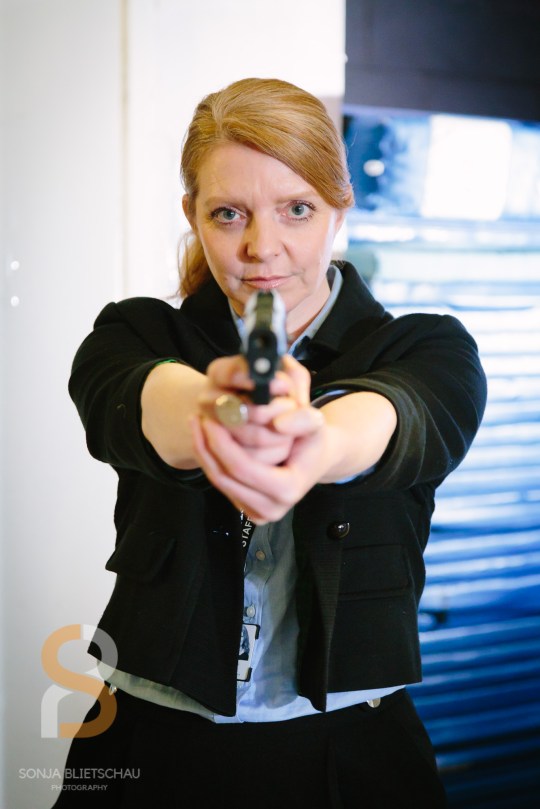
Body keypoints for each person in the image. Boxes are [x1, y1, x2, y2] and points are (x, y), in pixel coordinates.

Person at [55, 77, 487, 808]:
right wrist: (214, 410)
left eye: (297, 209)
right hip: (149, 745)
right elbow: (137, 402)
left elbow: (395, 418)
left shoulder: (428, 348)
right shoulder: (134, 333)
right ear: (192, 215)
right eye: (228, 214)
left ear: (340, 208)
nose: (263, 248)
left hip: (353, 753)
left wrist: (317, 440)